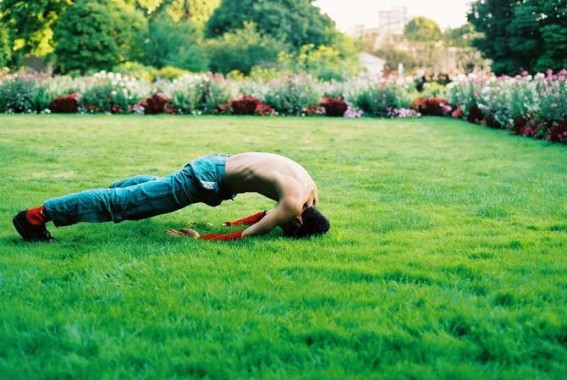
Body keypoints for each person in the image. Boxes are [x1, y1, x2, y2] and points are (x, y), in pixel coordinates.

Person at [12, 152, 330, 242]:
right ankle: (35, 217)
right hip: (207, 179)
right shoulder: (291, 204)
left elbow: (263, 216)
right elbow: (247, 235)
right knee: (125, 206)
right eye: (287, 229)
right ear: (299, 218)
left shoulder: (308, 191)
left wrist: (235, 217)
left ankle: (113, 190)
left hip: (218, 165)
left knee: (149, 191)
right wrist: (200, 238)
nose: (281, 226)